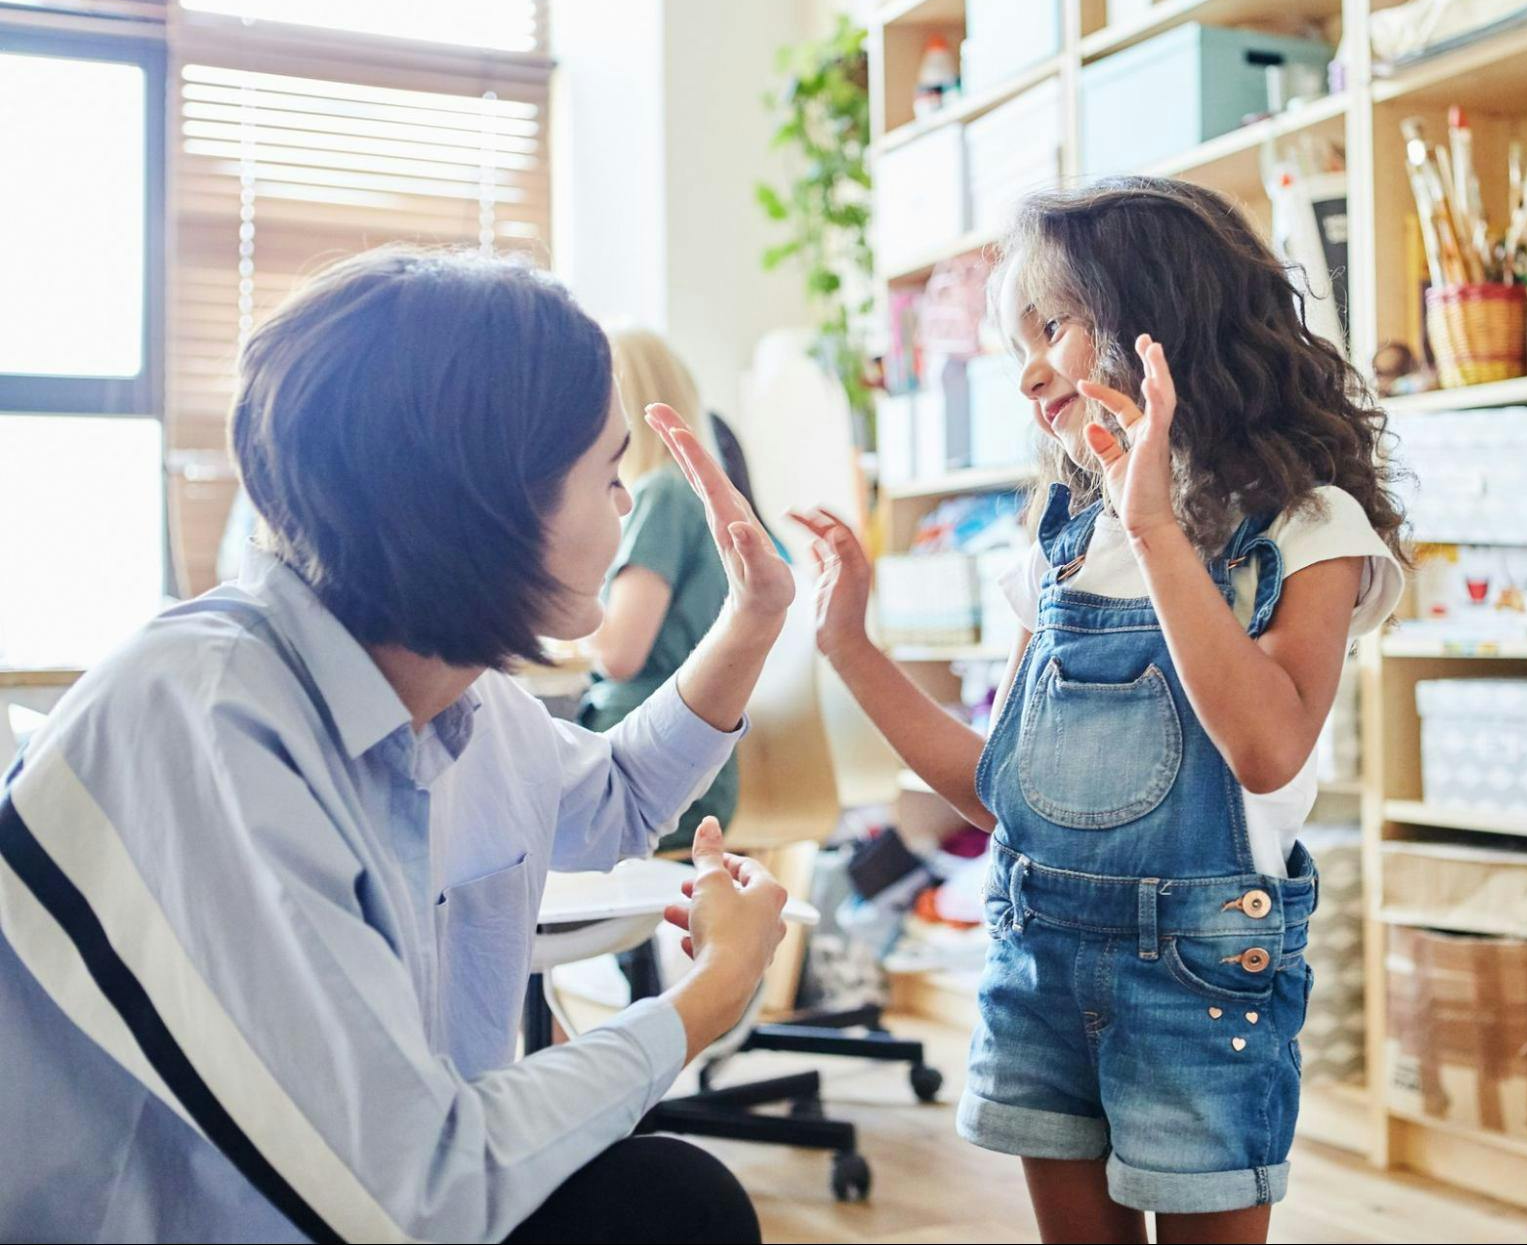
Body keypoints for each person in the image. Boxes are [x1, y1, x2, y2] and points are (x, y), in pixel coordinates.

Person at [0, 247, 797, 1243]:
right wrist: (708, 994)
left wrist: (753, 616)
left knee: (671, 1200)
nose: (624, 505)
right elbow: (414, 1196)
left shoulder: (471, 707)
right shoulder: (201, 717)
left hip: (380, 1193)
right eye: (604, 473)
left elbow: (622, 798)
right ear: (485, 505)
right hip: (235, 1216)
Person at [792, 177, 1408, 1244]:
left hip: (1199, 982)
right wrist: (847, 644)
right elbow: (1005, 789)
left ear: (1161, 321)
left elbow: (1265, 748)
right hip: (1037, 960)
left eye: (1055, 327)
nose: (1028, 370)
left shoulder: (1309, 529)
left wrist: (1161, 528)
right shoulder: (1062, 539)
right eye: (1015, 342)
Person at [582, 327, 740, 852]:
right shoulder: (687, 493)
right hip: (691, 757)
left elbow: (619, 654)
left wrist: (562, 615)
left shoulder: (659, 496)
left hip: (656, 762)